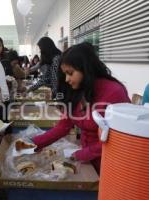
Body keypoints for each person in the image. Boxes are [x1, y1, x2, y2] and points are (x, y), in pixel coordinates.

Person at [32, 42, 131, 173]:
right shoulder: (76, 90)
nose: (67, 79)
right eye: (65, 74)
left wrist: (82, 154)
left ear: (86, 69)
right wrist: (34, 143)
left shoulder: (114, 92)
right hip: (87, 161)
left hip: (109, 162)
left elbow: (119, 139)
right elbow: (63, 126)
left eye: (70, 73)